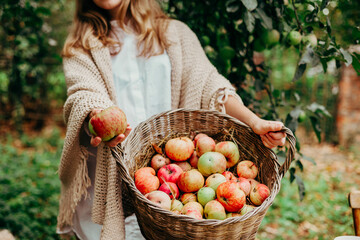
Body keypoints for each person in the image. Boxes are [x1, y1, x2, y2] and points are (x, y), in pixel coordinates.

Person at [56, 0, 287, 239]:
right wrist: (97, 115)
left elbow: (210, 85)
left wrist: (253, 121)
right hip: (111, 179)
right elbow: (84, 93)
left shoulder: (175, 33)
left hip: (172, 174)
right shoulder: (80, 45)